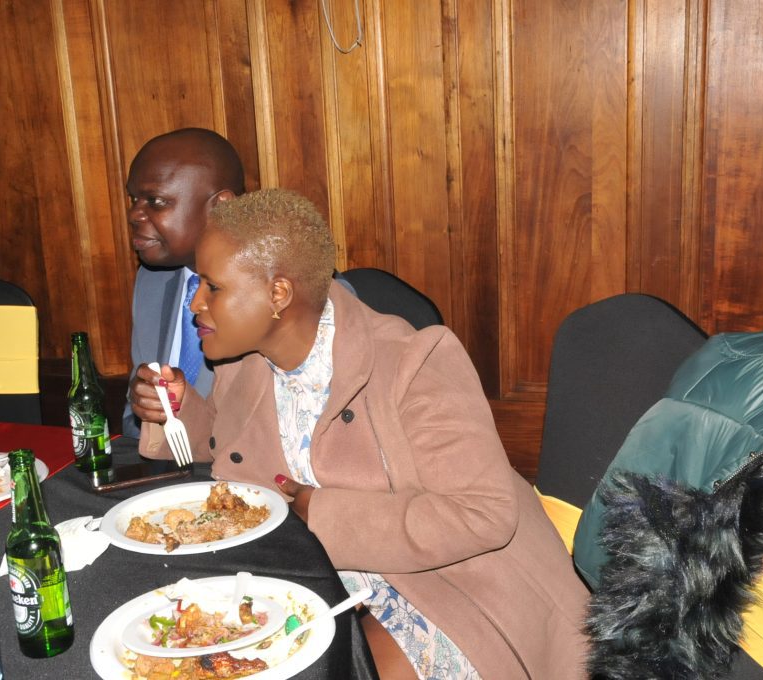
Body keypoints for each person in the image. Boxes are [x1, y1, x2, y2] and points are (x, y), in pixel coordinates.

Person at [136, 188, 590, 679]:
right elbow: (227, 450)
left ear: (278, 295)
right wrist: (177, 411)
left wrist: (320, 514)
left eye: (212, 287)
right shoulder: (246, 363)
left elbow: (483, 514)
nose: (196, 303)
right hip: (324, 581)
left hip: (456, 589)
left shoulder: (414, 362)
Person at [123, 128, 245, 437]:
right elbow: (133, 424)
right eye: (134, 199)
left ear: (220, 208)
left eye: (156, 201)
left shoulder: (284, 293)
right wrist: (144, 404)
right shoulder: (153, 280)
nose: (134, 214)